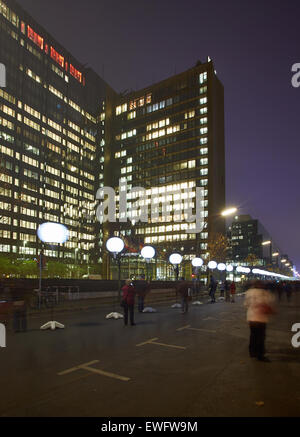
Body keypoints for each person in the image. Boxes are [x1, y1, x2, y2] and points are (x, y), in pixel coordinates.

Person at [244, 280, 276, 362]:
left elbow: (246, 304)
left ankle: (252, 352)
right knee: (260, 336)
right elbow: (269, 303)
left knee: (253, 335)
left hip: (251, 317)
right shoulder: (264, 293)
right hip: (260, 318)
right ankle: (260, 354)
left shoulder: (248, 292)